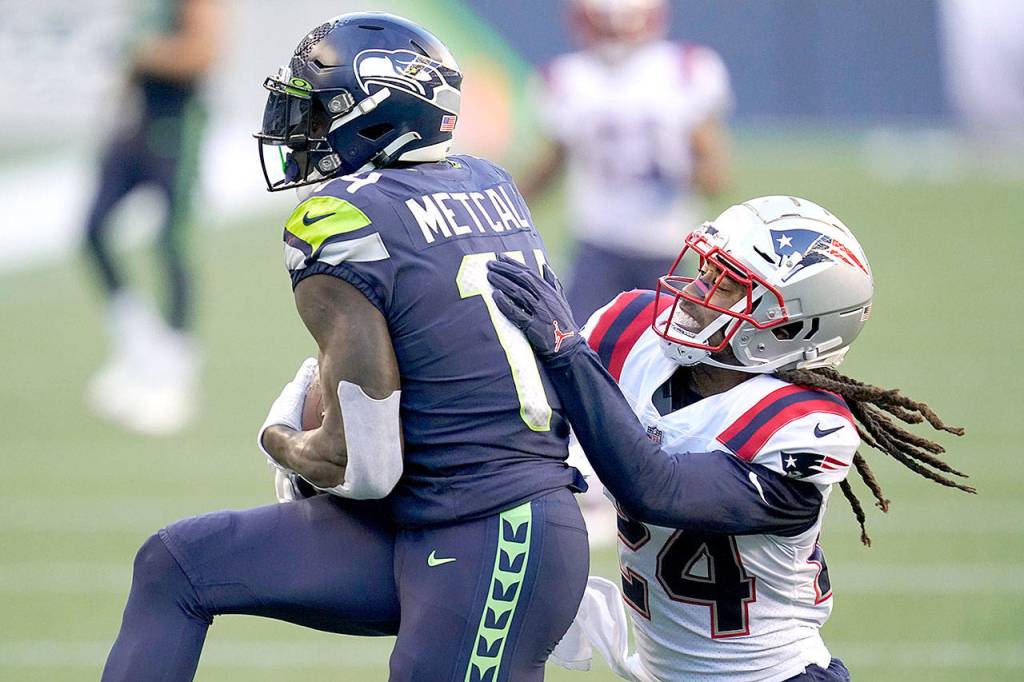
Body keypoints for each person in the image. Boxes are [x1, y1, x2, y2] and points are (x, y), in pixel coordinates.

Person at [101, 13, 590, 682]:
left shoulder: (340, 221)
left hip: (493, 531)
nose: (299, 127)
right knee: (178, 563)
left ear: (375, 115)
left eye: (317, 108)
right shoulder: (488, 180)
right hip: (439, 514)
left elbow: (366, 467)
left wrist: (283, 439)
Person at [486, 196, 972, 681]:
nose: (697, 288)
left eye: (728, 285)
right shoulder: (630, 331)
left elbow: (655, 489)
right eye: (707, 268)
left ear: (791, 326)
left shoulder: (803, 427)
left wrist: (568, 354)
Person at [520, 0, 732, 322]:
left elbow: (713, 176)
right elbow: (715, 177)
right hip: (615, 244)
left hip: (655, 247)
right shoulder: (685, 67)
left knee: (583, 346)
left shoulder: (564, 77)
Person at [84, 0, 223, 435]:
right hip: (137, 121)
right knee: (92, 232)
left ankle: (177, 374)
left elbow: (203, 53)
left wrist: (142, 52)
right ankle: (139, 349)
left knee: (168, 241)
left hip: (177, 122)